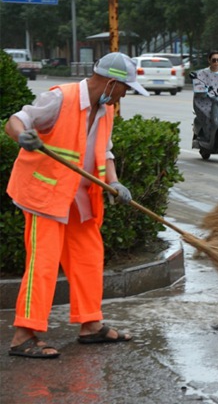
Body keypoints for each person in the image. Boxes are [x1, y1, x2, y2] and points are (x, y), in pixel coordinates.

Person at [4, 52, 148, 358]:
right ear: (111, 83)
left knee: (89, 258)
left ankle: (90, 325)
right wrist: (22, 137)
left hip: (79, 198)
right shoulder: (60, 98)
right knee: (43, 263)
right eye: (125, 88)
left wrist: (115, 181)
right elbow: (16, 121)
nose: (126, 94)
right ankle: (23, 335)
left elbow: (104, 151)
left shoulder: (105, 110)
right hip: (46, 195)